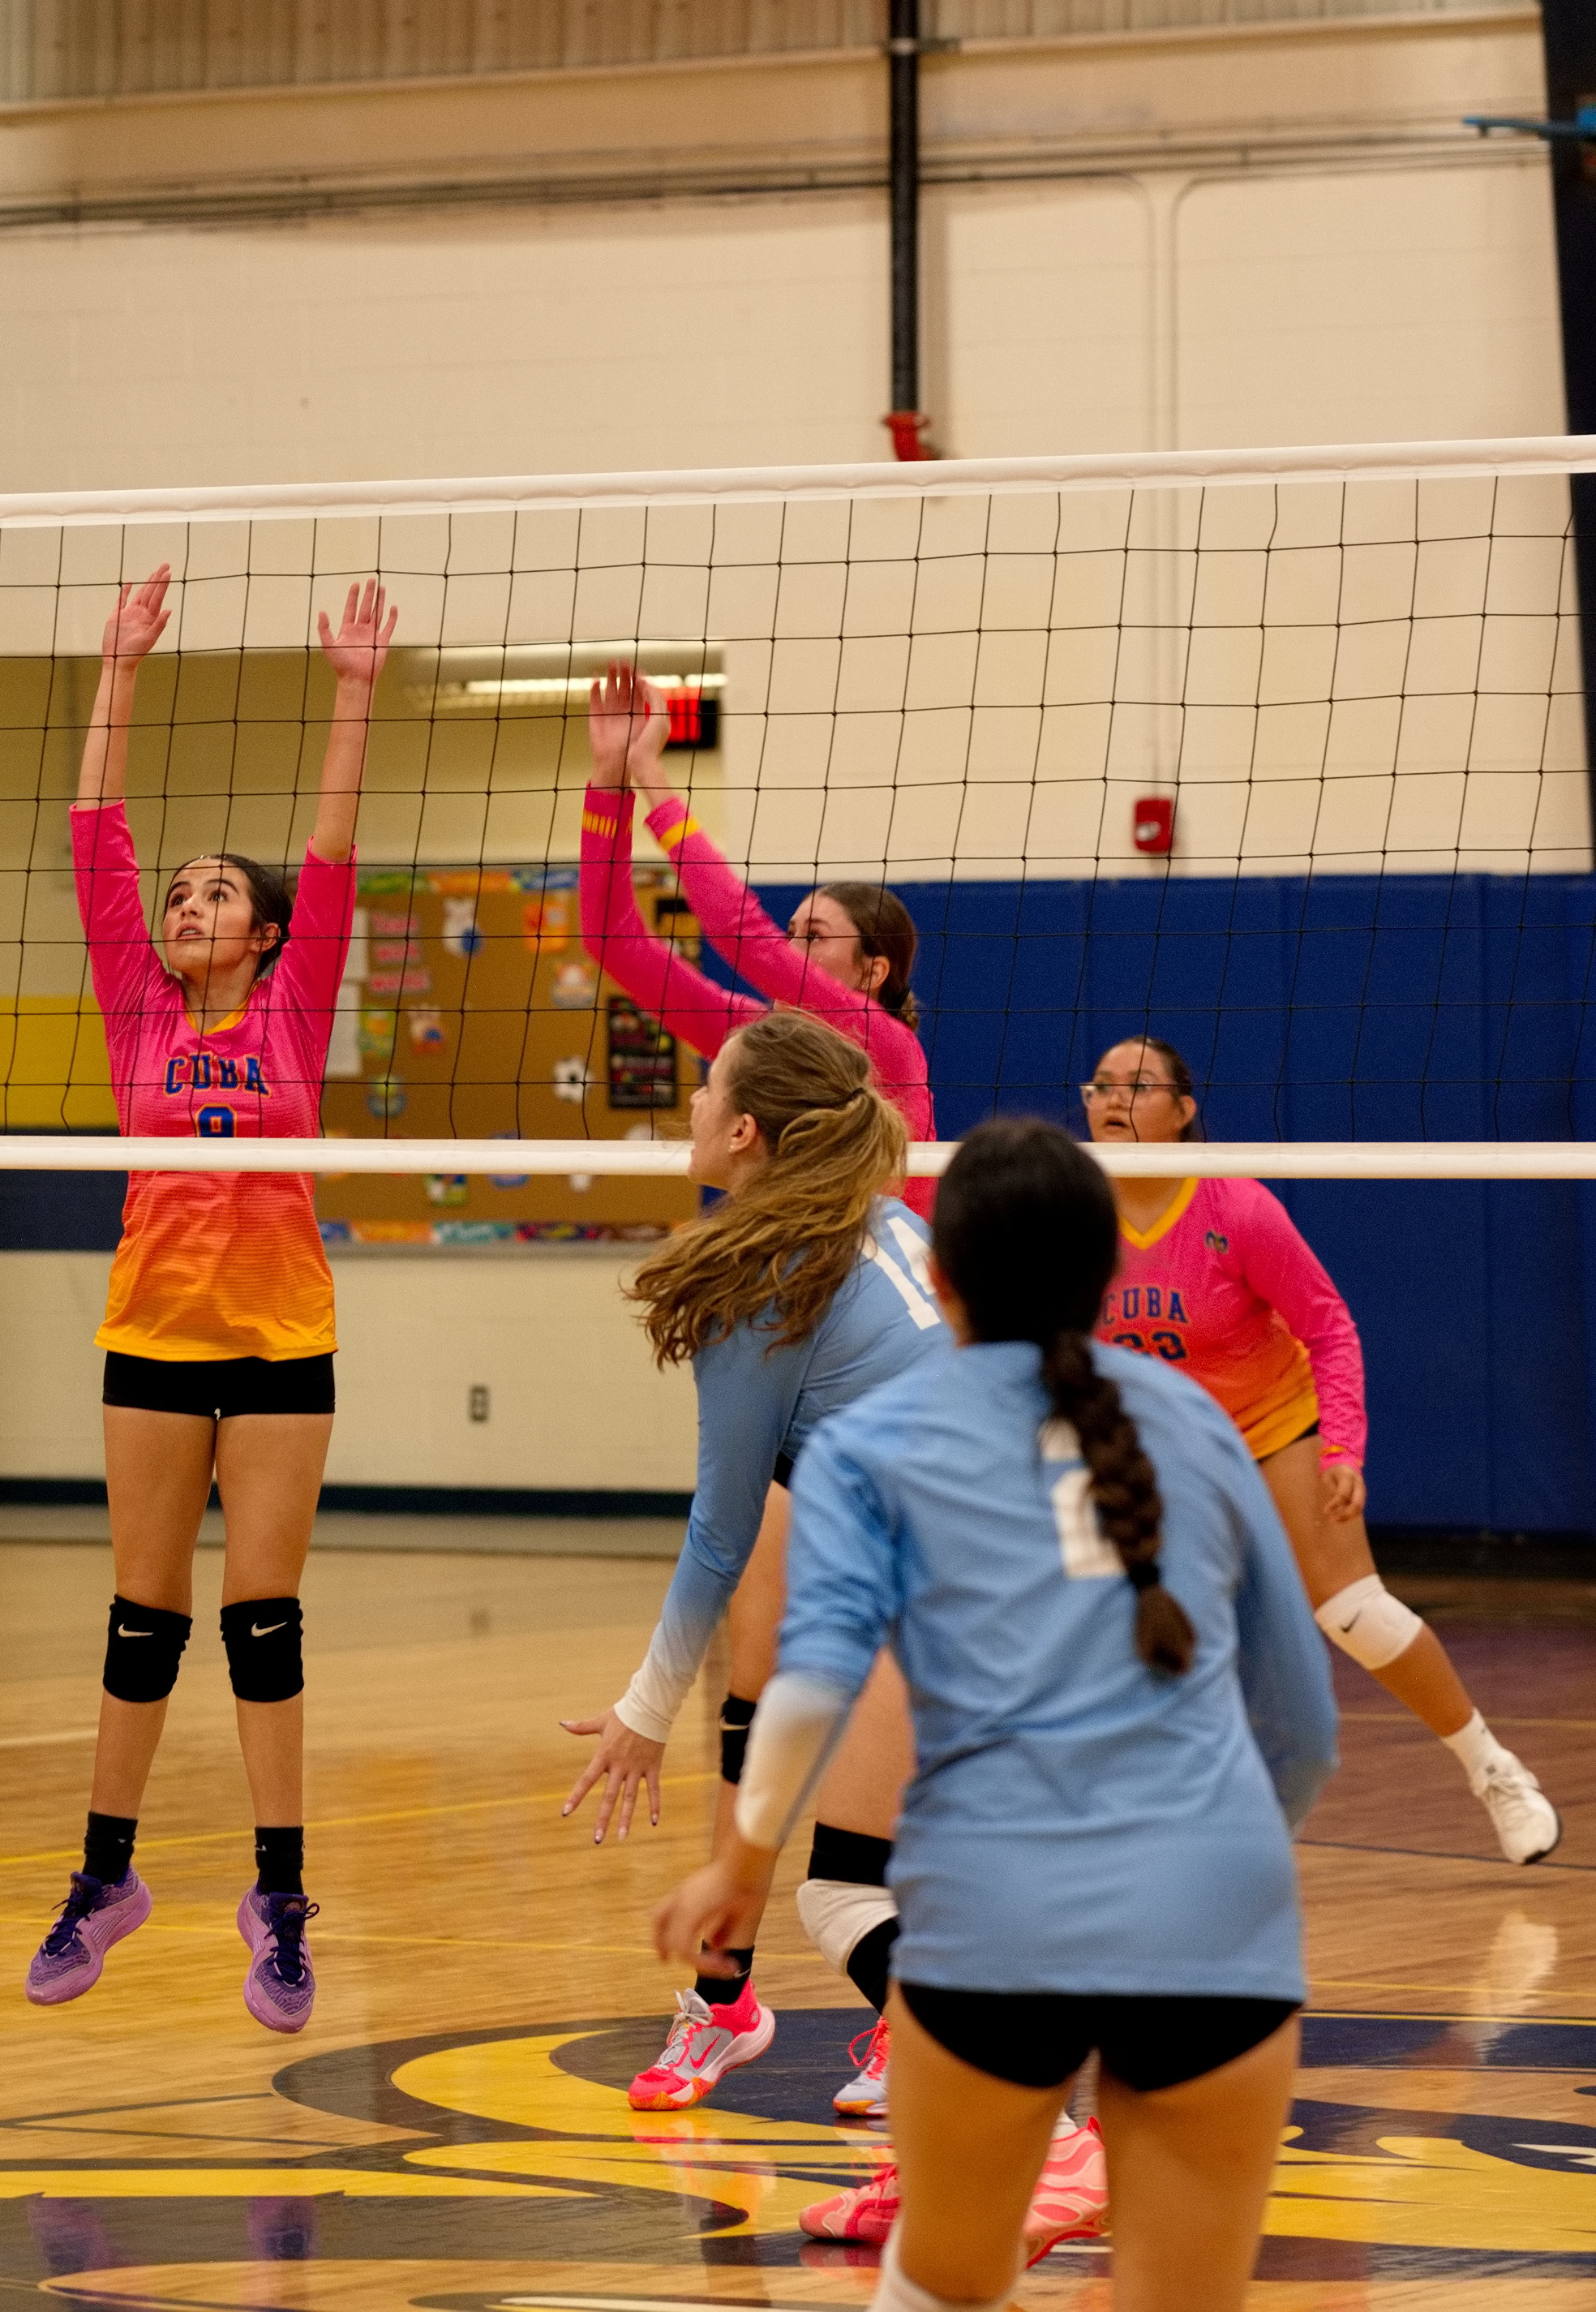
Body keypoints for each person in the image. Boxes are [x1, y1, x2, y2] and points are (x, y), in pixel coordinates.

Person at [658, 1115, 1336, 2311]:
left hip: (1000, 1915)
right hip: (1219, 1923)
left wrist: (741, 1860)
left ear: (944, 1274)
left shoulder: (874, 1440)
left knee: (942, 2289)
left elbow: (810, 1679)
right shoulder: (1193, 1422)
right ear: (1109, 1275)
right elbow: (1302, 1723)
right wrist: (1206, 1869)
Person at [26, 565, 388, 2035]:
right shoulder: (140, 1010)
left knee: (263, 1618)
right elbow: (93, 841)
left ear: (261, 933)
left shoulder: (294, 1000)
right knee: (140, 1612)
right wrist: (115, 665)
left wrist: (353, 688)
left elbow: (331, 838)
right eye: (178, 894)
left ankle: (279, 1901)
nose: (187, 902)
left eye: (216, 893)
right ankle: (104, 1877)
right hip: (152, 1339)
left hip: (282, 1339)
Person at [555, 1012, 947, 2110]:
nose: (686, 1101)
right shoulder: (888, 1225)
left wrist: (642, 1708)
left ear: (743, 1132)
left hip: (950, 1590)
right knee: (932, 1870)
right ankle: (943, 2141)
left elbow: (721, 1532)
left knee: (844, 1896)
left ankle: (1038, 2131)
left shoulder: (773, 1281)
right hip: (1036, 1572)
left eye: (704, 1085)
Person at [1088, 1034, 1557, 1863]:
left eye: (1139, 1084)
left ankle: (1492, 1765)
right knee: (1125, 1624)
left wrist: (1343, 1445)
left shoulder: (1234, 1205)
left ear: (1184, 1111)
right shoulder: (1073, 1212)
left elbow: (1328, 1325)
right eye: (1101, 1085)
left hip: (1274, 1424)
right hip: (1165, 1443)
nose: (1114, 1098)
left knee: (1352, 1610)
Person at [580, 661, 936, 1200]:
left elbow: (737, 934)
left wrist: (651, 771)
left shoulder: (887, 1047)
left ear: (872, 971)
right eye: (790, 932)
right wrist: (612, 777)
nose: (790, 949)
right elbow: (614, 942)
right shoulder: (758, 1041)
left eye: (813, 936)